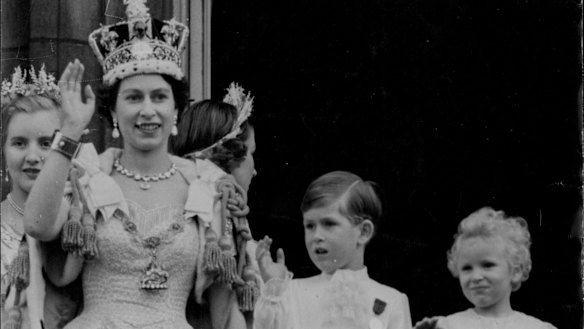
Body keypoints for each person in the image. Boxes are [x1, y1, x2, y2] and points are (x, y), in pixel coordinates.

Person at [22, 2, 246, 328]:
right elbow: (37, 224)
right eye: (133, 97)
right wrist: (68, 132)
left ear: (177, 110)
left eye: (159, 97)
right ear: (113, 111)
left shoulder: (206, 185)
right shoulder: (88, 174)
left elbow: (224, 312)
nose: (147, 110)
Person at [253, 171, 413, 329]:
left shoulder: (391, 301)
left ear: (364, 232)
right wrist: (273, 290)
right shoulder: (291, 293)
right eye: (310, 226)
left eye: (329, 224)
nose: (316, 236)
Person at [171, 86, 260, 328]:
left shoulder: (175, 190)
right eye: (251, 153)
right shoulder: (217, 202)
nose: (254, 170)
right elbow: (221, 317)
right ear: (232, 154)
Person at [1, 65, 80, 329]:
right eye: (19, 143)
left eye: (47, 143)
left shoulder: (78, 224)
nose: (33, 157)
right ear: (3, 149)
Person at [413, 207, 558, 329]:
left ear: (515, 271)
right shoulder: (448, 326)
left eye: (487, 265)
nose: (476, 277)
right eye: (466, 268)